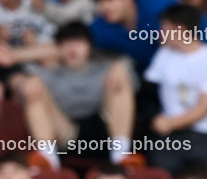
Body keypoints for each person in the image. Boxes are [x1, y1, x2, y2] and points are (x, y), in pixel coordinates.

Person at [90, 0, 207, 101]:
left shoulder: (157, 6)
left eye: (110, 0)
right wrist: (117, 63)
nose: (104, 7)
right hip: (167, 75)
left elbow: (190, 26)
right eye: (99, 2)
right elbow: (85, 54)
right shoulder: (100, 28)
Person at [19, 21, 140, 170]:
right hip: (67, 134)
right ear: (58, 48)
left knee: (120, 81)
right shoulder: (46, 74)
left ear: (90, 47)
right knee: (34, 91)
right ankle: (47, 159)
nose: (72, 49)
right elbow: (19, 87)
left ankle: (121, 154)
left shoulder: (108, 67)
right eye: (66, 43)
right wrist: (27, 82)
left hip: (104, 131)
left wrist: (123, 67)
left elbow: (133, 81)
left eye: (78, 43)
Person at [142, 3, 207, 173]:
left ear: (179, 29)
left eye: (165, 27)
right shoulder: (163, 55)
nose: (160, 32)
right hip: (168, 136)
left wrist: (170, 123)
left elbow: (204, 107)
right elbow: (148, 92)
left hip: (203, 135)